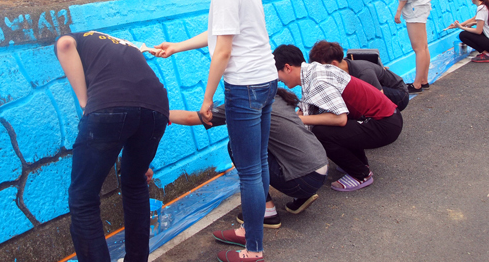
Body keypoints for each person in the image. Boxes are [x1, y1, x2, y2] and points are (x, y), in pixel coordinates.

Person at [154, 0, 278, 262]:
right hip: (266, 80)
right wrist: (176, 47)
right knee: (259, 162)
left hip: (245, 87)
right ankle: (251, 229)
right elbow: (219, 31)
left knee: (249, 170)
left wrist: (207, 99)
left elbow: (223, 50)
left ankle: (253, 250)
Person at [55, 31, 169, 262]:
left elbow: (65, 44)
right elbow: (130, 111)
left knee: (83, 196)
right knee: (135, 182)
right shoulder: (124, 45)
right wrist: (138, 162)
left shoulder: (76, 37)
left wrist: (85, 102)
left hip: (110, 107)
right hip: (158, 107)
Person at [170, 87, 327, 231]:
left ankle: (267, 212)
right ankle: (301, 197)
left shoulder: (243, 103)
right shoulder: (274, 95)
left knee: (237, 145)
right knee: (262, 141)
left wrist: (162, 112)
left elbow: (192, 118)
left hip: (303, 180)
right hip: (320, 168)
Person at [273, 44, 403, 193]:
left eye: (277, 73)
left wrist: (299, 121)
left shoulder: (317, 81)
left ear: (288, 68)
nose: (278, 79)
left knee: (321, 132)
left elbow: (340, 119)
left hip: (385, 123)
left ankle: (361, 174)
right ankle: (359, 163)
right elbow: (306, 107)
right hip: (387, 118)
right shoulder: (313, 71)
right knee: (329, 127)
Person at [308, 41, 409, 111]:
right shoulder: (343, 68)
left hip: (399, 94)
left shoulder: (364, 73)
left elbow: (380, 101)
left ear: (334, 64)